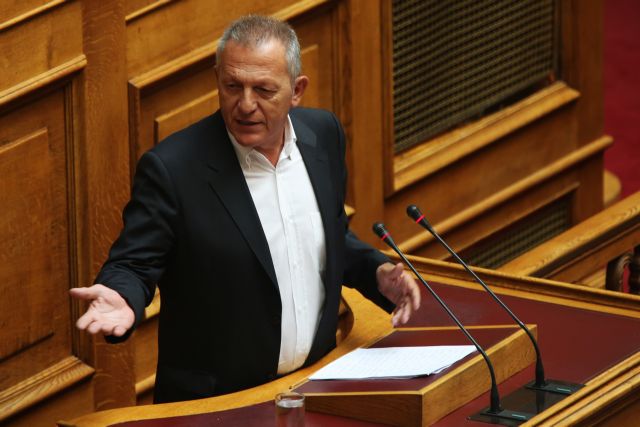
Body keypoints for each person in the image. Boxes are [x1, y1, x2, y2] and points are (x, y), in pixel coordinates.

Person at [70, 15, 420, 403]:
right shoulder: (174, 168)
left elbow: (324, 235)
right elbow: (134, 263)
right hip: (217, 405)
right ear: (218, 79)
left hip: (312, 387)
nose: (246, 105)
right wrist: (122, 295)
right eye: (232, 86)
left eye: (264, 90)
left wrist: (376, 272)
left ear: (297, 90)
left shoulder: (323, 135)